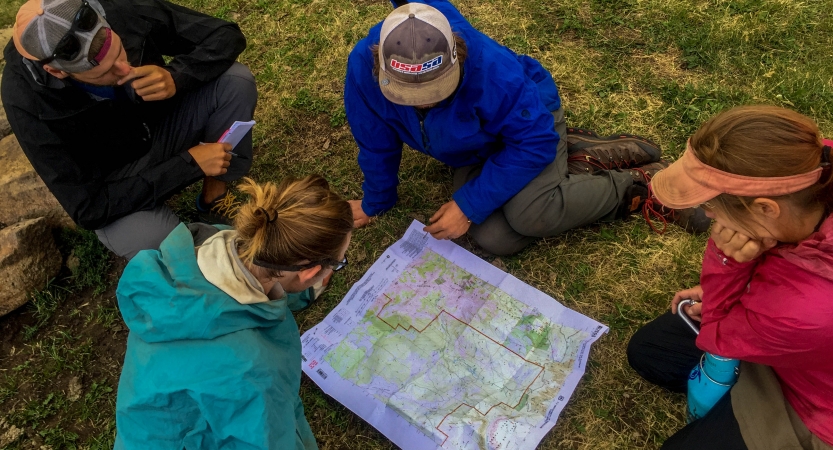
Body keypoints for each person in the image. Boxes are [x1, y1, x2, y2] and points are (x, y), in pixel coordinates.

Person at [344, 0, 709, 256]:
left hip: (529, 130)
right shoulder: (362, 68)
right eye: (409, 94)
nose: (424, 103)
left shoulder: (495, 72)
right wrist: (378, 201)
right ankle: (573, 153)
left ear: (459, 54)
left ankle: (645, 185)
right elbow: (375, 141)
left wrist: (468, 204)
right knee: (496, 238)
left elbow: (533, 142)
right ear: (379, 67)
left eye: (438, 89)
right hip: (478, 148)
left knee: (532, 214)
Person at [627, 105, 833, 449]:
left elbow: (716, 336)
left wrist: (727, 260)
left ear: (766, 208)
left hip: (816, 401)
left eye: (711, 206)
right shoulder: (813, 163)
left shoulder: (807, 308)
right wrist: (746, 291)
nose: (705, 214)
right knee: (651, 351)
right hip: (786, 332)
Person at [3, 0, 257, 259]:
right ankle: (210, 250)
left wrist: (177, 76)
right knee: (153, 241)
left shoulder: (118, 8)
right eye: (105, 73)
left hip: (162, 124)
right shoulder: (25, 99)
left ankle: (214, 195)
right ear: (56, 71)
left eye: (120, 52)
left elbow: (225, 34)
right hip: (118, 177)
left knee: (235, 83)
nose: (124, 70)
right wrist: (189, 164)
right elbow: (88, 208)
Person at [113, 175, 353, 449]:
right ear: (310, 272)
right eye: (339, 262)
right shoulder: (255, 370)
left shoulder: (208, 241)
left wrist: (299, 291)